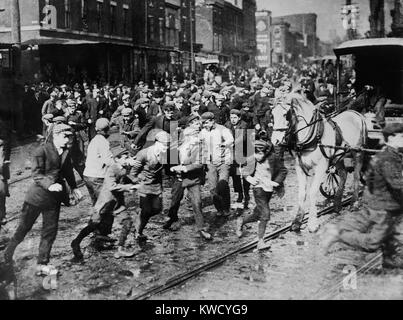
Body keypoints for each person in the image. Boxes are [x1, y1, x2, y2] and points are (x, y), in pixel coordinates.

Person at [2, 124, 80, 276]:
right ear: (55, 136)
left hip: (54, 200)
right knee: (23, 228)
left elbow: (68, 171)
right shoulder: (41, 150)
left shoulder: (65, 152)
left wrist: (74, 187)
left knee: (50, 231)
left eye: (69, 136)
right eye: (65, 136)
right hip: (36, 198)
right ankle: (8, 252)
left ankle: (42, 264)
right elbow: (36, 175)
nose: (67, 139)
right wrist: (50, 185)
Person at [323, 123, 403, 269]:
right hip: (383, 206)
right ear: (390, 139)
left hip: (387, 204)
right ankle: (338, 234)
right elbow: (398, 185)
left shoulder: (392, 154)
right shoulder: (388, 159)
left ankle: (391, 261)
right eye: (401, 137)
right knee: (373, 242)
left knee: (393, 235)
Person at [71, 152, 137, 262]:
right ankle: (76, 242)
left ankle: (120, 249)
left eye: (128, 157)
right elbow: (112, 186)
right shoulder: (112, 169)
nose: (128, 159)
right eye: (126, 157)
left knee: (128, 222)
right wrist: (128, 187)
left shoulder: (123, 168)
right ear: (117, 159)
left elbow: (125, 178)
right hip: (105, 203)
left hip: (116, 203)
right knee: (93, 225)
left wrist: (136, 182)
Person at [163, 115, 212, 240]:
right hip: (178, 177)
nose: (196, 130)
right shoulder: (178, 140)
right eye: (193, 126)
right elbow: (169, 155)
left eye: (198, 128)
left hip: (192, 177)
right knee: (175, 199)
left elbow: (200, 163)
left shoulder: (200, 145)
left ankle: (201, 228)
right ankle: (171, 219)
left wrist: (184, 168)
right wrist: (173, 169)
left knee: (197, 202)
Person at [236, 140, 287, 251]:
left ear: (266, 152)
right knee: (265, 213)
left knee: (257, 214)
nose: (258, 156)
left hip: (269, 189)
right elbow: (242, 169)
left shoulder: (273, 158)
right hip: (258, 188)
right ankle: (260, 241)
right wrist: (249, 178)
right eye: (256, 153)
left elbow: (283, 170)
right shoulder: (251, 159)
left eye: (260, 154)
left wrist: (277, 182)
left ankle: (242, 221)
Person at [122, 131, 170, 243]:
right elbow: (131, 173)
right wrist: (137, 181)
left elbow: (167, 168)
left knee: (157, 209)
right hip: (144, 186)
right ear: (156, 143)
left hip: (156, 185)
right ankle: (138, 232)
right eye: (164, 145)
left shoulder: (166, 153)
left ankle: (140, 220)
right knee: (146, 210)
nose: (166, 148)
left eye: (168, 145)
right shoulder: (144, 154)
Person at [200, 112, 234, 217]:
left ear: (212, 121)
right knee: (213, 187)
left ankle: (226, 208)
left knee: (223, 185)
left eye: (206, 123)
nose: (204, 125)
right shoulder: (203, 132)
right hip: (211, 163)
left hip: (223, 162)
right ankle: (219, 209)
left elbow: (231, 140)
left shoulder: (222, 129)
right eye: (203, 123)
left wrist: (224, 144)